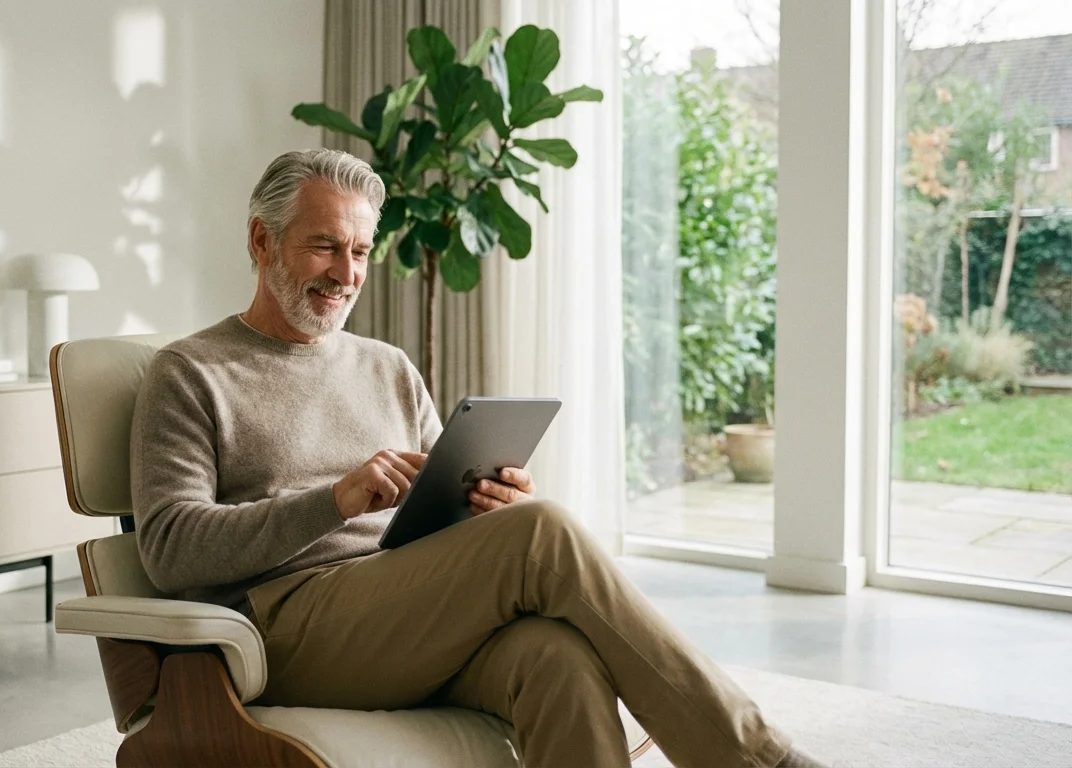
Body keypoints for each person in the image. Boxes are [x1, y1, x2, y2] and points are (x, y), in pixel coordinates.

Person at [130, 148, 822, 767]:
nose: (346, 273)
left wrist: (492, 504)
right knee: (541, 535)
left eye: (362, 252)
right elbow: (168, 549)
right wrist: (333, 501)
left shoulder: (388, 366)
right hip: (281, 629)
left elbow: (442, 504)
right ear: (263, 241)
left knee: (560, 659)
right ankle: (756, 758)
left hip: (403, 608)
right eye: (324, 247)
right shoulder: (191, 372)